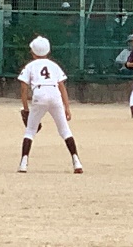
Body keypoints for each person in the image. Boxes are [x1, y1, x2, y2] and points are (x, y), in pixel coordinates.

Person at [17, 36, 83, 174]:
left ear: (33, 52)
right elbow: (62, 86)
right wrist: (67, 107)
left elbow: (23, 88)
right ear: (48, 51)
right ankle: (77, 162)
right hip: (55, 94)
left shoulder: (30, 66)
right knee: (65, 130)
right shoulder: (54, 66)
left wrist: (26, 108)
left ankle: (23, 163)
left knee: (30, 131)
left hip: (39, 94)